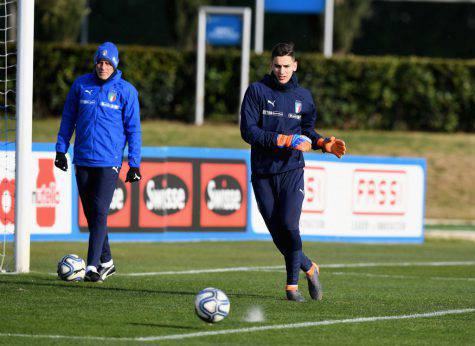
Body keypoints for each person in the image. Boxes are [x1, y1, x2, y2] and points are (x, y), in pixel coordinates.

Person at [240, 42, 346, 302]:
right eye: (277, 66)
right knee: (278, 234)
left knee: (289, 225)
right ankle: (309, 266)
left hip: (292, 169)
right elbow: (248, 131)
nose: (282, 71)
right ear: (271, 66)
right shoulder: (256, 91)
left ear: (295, 66)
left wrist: (323, 143)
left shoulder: (304, 97)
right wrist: (283, 140)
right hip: (263, 172)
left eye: (286, 66)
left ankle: (291, 286)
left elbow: (308, 130)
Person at [55, 42, 142, 283]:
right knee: (92, 214)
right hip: (82, 159)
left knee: (100, 212)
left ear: (115, 65)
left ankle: (92, 266)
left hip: (108, 162)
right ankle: (108, 261)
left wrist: (134, 164)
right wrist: (61, 150)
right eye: (100, 62)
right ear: (95, 63)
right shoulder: (81, 85)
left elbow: (134, 130)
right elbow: (68, 119)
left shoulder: (127, 91)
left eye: (108, 63)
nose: (103, 67)